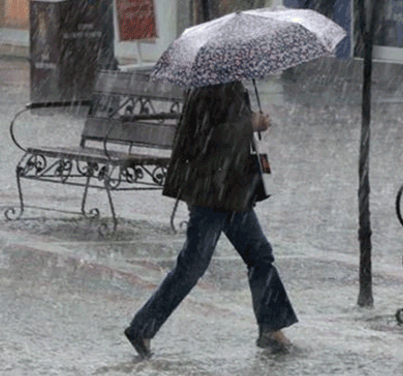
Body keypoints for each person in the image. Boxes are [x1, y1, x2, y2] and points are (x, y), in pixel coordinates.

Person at [124, 81, 297, 359]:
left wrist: (252, 124)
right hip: (211, 192)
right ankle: (142, 327)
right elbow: (205, 137)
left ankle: (271, 329)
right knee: (192, 265)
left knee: (260, 255)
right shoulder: (209, 87)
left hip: (231, 191)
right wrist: (249, 124)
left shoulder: (227, 83)